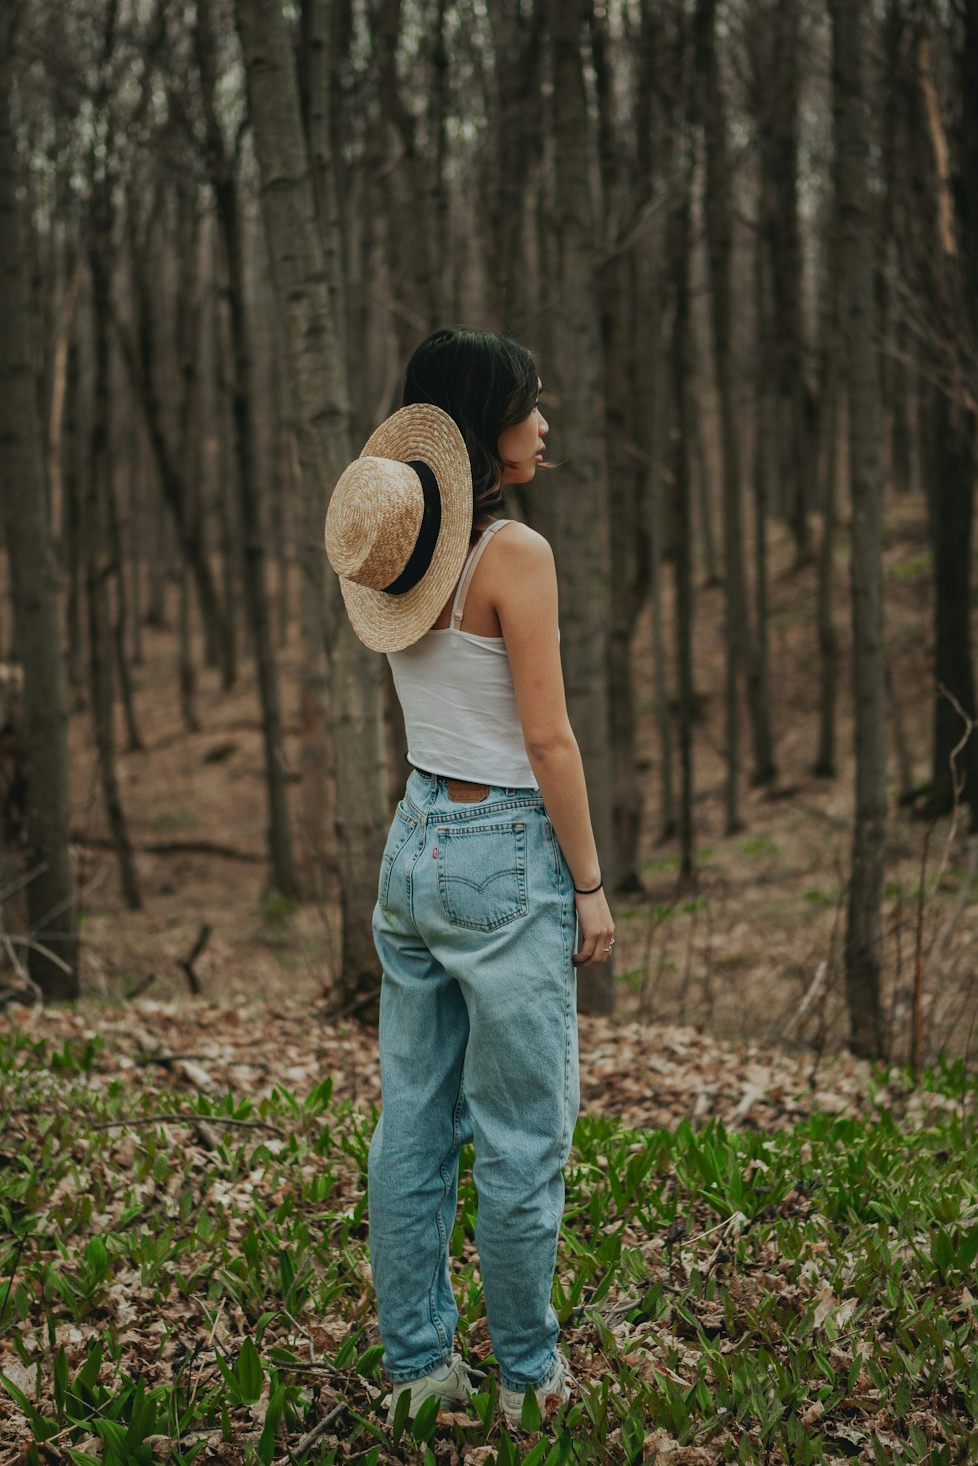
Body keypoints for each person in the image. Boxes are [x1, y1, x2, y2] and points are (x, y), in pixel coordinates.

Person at [323, 327, 617, 1429]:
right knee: (520, 1136)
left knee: (413, 1123)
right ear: (490, 427)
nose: (545, 423)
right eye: (530, 406)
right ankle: (531, 1381)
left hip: (417, 845)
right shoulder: (513, 556)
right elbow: (549, 743)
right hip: (504, 858)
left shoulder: (402, 554)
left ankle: (418, 1372)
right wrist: (587, 884)